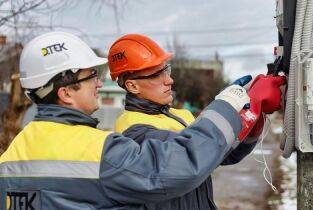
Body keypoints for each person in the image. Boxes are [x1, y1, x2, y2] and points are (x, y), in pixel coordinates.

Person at [0, 32, 284, 210]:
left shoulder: (11, 156)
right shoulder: (108, 147)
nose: (99, 84)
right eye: (90, 77)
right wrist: (229, 106)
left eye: (166, 69)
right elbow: (183, 163)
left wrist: (251, 115)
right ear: (65, 92)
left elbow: (211, 152)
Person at [108, 34, 285, 210]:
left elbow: (220, 153)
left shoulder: (179, 115)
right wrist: (226, 106)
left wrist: (253, 112)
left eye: (166, 70)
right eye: (156, 75)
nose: (169, 80)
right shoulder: (133, 131)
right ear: (132, 86)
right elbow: (192, 156)